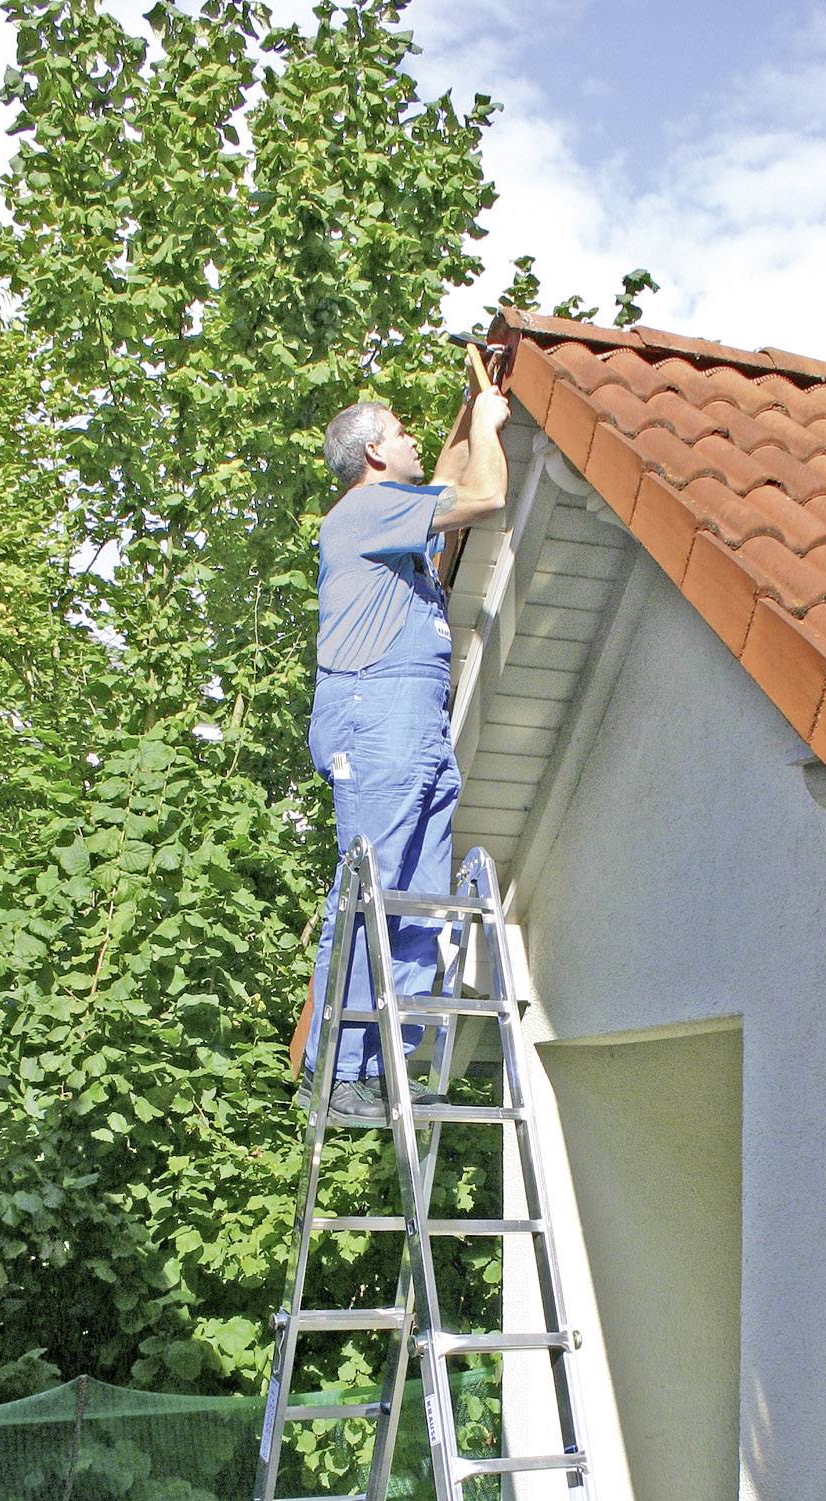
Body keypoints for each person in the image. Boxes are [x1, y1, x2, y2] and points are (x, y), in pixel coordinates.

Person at [299, 385, 511, 1126]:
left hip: (416, 721)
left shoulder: (396, 522)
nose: (414, 440)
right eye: (400, 432)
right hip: (375, 711)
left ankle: (384, 1066)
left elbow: (444, 477)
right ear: (372, 452)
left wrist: (473, 407)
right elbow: (481, 494)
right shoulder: (366, 510)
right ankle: (336, 1074)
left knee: (417, 900)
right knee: (370, 892)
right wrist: (487, 425)